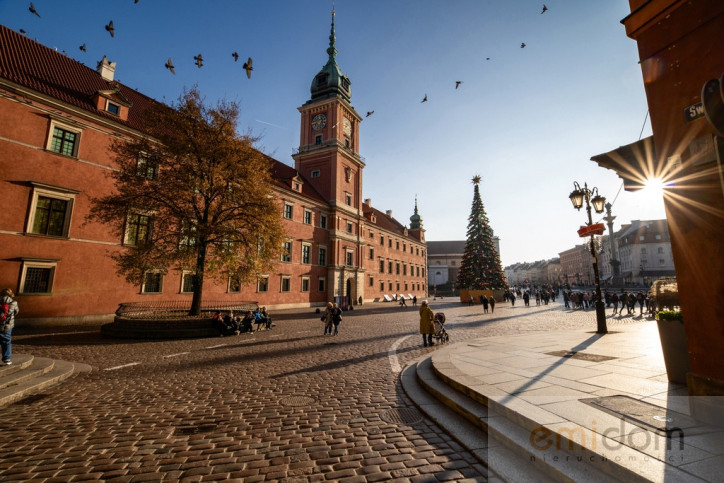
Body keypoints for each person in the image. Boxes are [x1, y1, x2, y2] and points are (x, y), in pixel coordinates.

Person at [0, 288, 19, 365]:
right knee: (6, 341)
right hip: (8, 326)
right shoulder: (14, 302)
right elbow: (16, 311)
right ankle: (7, 359)